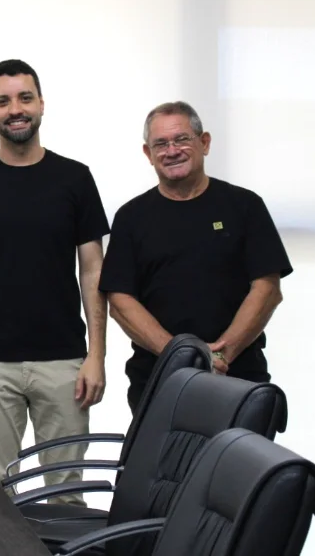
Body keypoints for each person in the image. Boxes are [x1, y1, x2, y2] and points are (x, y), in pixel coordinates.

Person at [0, 59, 109, 503]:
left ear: (41, 104)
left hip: (64, 362)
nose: (15, 109)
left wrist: (96, 354)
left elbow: (93, 269)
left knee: (67, 495)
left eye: (24, 98)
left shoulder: (75, 178)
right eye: (3, 101)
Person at [99, 101, 292, 413]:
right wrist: (181, 357)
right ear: (148, 154)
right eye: (161, 144)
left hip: (240, 379)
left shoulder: (245, 206)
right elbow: (121, 302)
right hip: (158, 382)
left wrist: (221, 356)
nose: (172, 151)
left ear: (205, 143)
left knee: (241, 449)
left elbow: (267, 289)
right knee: (161, 451)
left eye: (181, 139)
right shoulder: (131, 218)